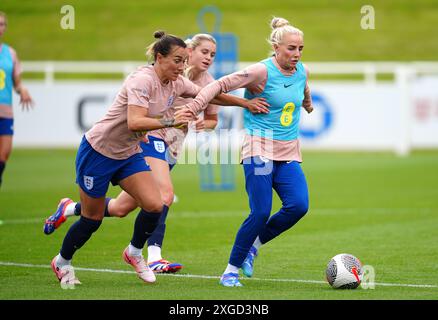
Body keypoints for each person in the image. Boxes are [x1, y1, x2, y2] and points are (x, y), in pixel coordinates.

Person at [48, 31, 269, 285]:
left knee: (151, 205)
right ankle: (62, 261)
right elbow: (134, 122)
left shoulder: (177, 83)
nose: (182, 67)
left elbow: (209, 95)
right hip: (99, 151)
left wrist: (246, 104)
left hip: (130, 153)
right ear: (159, 57)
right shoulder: (142, 80)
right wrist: (171, 120)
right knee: (92, 220)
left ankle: (134, 252)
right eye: (178, 60)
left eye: (184, 61)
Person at [175, 17, 313, 287]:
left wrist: (307, 103)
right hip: (259, 147)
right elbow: (218, 85)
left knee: (299, 206)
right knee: (260, 212)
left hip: (287, 151)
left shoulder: (302, 70)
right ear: (276, 47)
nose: (296, 54)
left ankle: (254, 246)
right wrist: (195, 106)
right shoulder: (260, 71)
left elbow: (303, 88)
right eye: (291, 49)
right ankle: (230, 271)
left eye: (300, 49)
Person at [0, 11, 33, 188]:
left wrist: (23, 90)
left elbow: (16, 82)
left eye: (2, 24)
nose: (0, 28)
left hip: (5, 111)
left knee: (3, 156)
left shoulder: (10, 53)